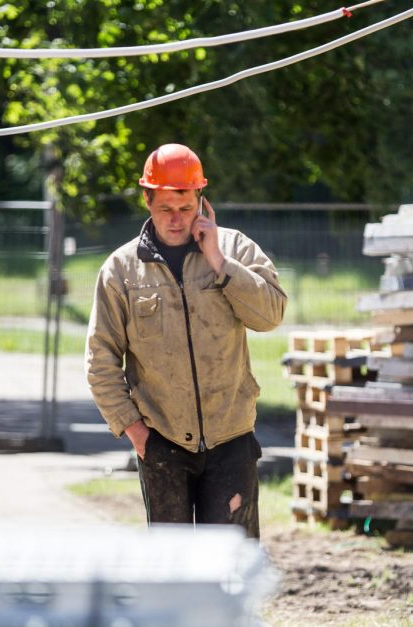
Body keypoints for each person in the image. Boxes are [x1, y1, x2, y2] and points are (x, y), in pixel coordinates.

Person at [85, 143, 287, 538]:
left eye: (186, 208)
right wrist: (137, 434)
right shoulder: (121, 271)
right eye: (165, 209)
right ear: (147, 199)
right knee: (173, 572)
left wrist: (219, 262)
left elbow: (271, 315)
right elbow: (100, 361)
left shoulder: (235, 249)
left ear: (201, 199)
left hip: (231, 438)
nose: (176, 220)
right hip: (162, 442)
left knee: (230, 566)